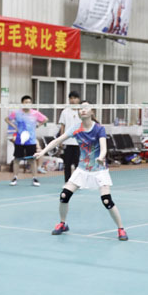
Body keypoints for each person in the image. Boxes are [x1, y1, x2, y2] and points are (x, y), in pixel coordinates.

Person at [33, 101, 128, 241]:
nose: (83, 110)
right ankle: (62, 223)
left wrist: (101, 157)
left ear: (92, 111)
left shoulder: (99, 129)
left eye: (86, 108)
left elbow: (103, 148)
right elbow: (57, 141)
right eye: (80, 108)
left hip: (99, 170)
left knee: (107, 200)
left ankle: (121, 228)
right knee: (64, 195)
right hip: (82, 170)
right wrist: (42, 152)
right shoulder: (76, 128)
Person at [6, 95, 48, 187]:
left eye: (29, 102)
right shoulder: (16, 113)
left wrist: (38, 125)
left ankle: (35, 178)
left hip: (31, 140)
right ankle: (15, 177)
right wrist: (15, 127)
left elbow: (45, 119)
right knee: (17, 159)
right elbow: (7, 119)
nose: (28, 104)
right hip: (19, 140)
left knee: (32, 160)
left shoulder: (35, 113)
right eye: (26, 102)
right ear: (22, 103)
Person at [58, 91, 82, 182]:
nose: (73, 100)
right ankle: (67, 182)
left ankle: (78, 181)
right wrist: (60, 140)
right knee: (67, 164)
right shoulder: (65, 112)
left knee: (78, 164)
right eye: (71, 98)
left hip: (79, 142)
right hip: (67, 142)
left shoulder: (82, 111)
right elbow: (62, 126)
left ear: (78, 99)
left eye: (75, 98)